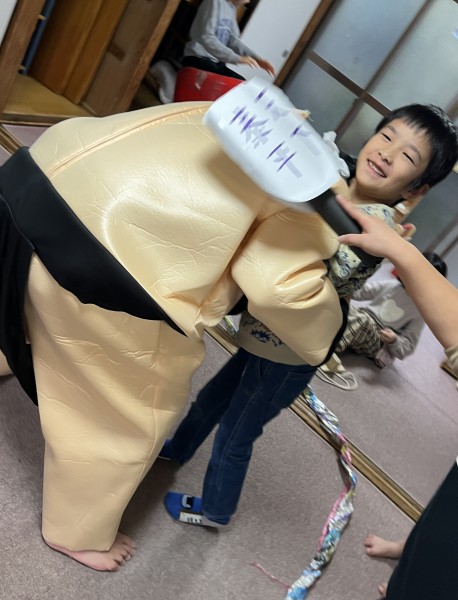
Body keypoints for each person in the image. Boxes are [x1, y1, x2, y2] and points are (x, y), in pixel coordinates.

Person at [0, 97, 350, 571]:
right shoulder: (312, 191)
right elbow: (281, 290)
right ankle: (75, 531)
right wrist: (327, 331)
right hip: (102, 259)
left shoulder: (262, 111)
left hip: (31, 175)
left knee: (14, 287)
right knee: (129, 410)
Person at [161, 104, 458, 528]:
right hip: (267, 330)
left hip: (291, 351)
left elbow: (311, 269)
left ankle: (216, 510)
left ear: (417, 188)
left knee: (237, 430)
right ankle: (178, 448)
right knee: (213, 397)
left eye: (408, 156)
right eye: (387, 136)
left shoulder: (374, 227)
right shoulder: (339, 179)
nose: (387, 153)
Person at [337, 194, 458, 600]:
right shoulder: (393, 283)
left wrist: (391, 338)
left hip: (381, 346)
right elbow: (367, 291)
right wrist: (392, 253)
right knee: (441, 513)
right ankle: (409, 552)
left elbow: (408, 348)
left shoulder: (418, 312)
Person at [336, 252, 447, 368]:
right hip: (363, 316)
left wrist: (394, 340)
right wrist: (343, 288)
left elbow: (409, 345)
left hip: (379, 340)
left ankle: (330, 346)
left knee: (362, 320)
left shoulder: (420, 311)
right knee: (344, 308)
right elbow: (362, 291)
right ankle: (330, 332)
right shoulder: (393, 285)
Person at [182, 0, 275, 80]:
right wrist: (237, 58)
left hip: (215, 62)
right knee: (230, 85)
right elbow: (207, 37)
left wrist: (257, 59)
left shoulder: (231, 8)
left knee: (241, 82)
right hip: (197, 57)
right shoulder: (214, 2)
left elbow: (232, 40)